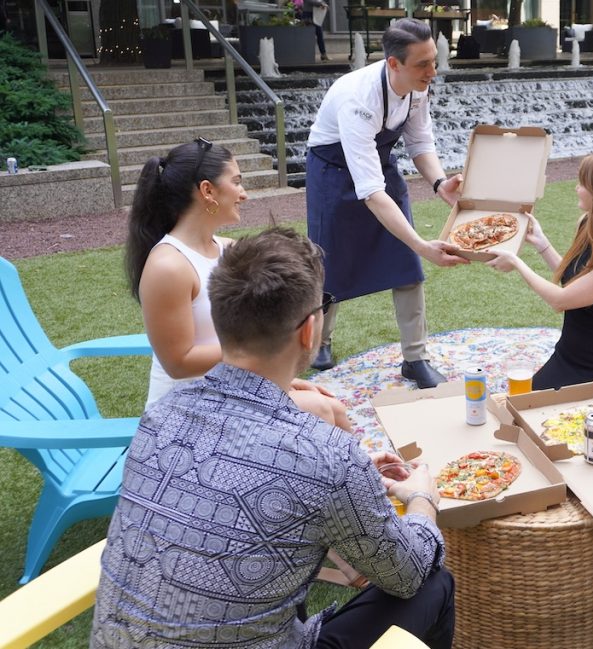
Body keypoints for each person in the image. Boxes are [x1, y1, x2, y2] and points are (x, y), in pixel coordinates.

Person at [93, 227, 455, 649]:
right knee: (435, 585)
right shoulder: (325, 455)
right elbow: (409, 573)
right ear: (308, 331)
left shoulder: (159, 416)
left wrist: (353, 487)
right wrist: (421, 498)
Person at [125, 138, 348, 427]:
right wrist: (265, 346)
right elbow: (178, 362)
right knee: (323, 411)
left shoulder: (227, 249)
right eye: (236, 182)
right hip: (185, 409)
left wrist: (281, 378)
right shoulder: (169, 266)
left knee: (332, 408)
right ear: (207, 190)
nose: (244, 194)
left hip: (229, 388)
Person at [306, 18, 467, 386]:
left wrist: (440, 183)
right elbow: (371, 192)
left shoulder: (418, 86)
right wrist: (424, 244)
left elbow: (419, 141)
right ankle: (319, 342)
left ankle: (415, 358)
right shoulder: (357, 100)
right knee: (329, 260)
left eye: (434, 60)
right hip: (332, 170)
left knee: (406, 262)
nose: (433, 72)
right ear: (393, 64)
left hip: (377, 163)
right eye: (423, 64)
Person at [486, 151, 593, 393]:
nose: (577, 188)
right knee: (520, 409)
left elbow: (561, 300)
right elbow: (574, 282)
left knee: (569, 428)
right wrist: (542, 243)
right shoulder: (587, 223)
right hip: (570, 355)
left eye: (584, 183)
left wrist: (518, 263)